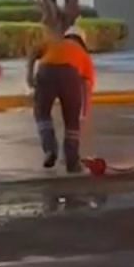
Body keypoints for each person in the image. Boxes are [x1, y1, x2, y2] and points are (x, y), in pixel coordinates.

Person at [27, 26, 95, 173]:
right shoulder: (83, 55)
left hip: (46, 71)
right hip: (70, 76)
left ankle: (50, 149)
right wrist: (84, 114)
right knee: (72, 122)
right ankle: (72, 162)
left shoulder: (53, 43)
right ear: (82, 41)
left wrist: (29, 76)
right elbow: (87, 86)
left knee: (42, 113)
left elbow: (33, 53)